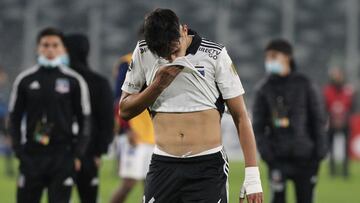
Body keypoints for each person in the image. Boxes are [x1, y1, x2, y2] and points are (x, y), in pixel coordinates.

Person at [119, 8, 263, 203]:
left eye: (173, 50)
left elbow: (240, 116)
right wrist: (158, 85)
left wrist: (253, 176)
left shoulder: (215, 55)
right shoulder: (144, 51)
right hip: (163, 164)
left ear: (184, 31)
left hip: (207, 166)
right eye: (163, 55)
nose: (170, 59)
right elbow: (125, 110)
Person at [8, 27, 91, 203]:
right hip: (32, 155)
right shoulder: (25, 80)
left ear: (63, 49)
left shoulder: (74, 80)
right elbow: (14, 118)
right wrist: (19, 151)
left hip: (62, 156)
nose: (50, 49)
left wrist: (76, 154)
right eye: (45, 45)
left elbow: (85, 119)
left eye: (55, 45)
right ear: (38, 48)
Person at [252, 39, 327, 203]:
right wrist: (268, 155)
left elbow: (318, 119)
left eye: (273, 56)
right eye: (267, 57)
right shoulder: (263, 89)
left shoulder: (305, 84)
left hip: (306, 157)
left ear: (287, 57)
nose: (268, 61)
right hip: (277, 159)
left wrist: (319, 154)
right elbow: (257, 127)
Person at [64, 34, 114, 203]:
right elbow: (107, 122)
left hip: (63, 151)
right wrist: (100, 151)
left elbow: (106, 121)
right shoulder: (99, 82)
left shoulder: (63, 81)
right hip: (89, 152)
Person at [111, 53, 155, 203]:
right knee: (128, 183)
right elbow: (119, 99)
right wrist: (126, 129)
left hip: (155, 134)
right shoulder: (128, 62)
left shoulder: (165, 61)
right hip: (134, 134)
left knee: (151, 187)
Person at [323, 67, 354, 178]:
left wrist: (344, 116)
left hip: (345, 123)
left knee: (346, 148)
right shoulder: (327, 90)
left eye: (338, 75)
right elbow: (324, 106)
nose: (337, 77)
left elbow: (352, 106)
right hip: (331, 122)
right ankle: (332, 171)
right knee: (330, 147)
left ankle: (345, 172)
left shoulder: (348, 90)